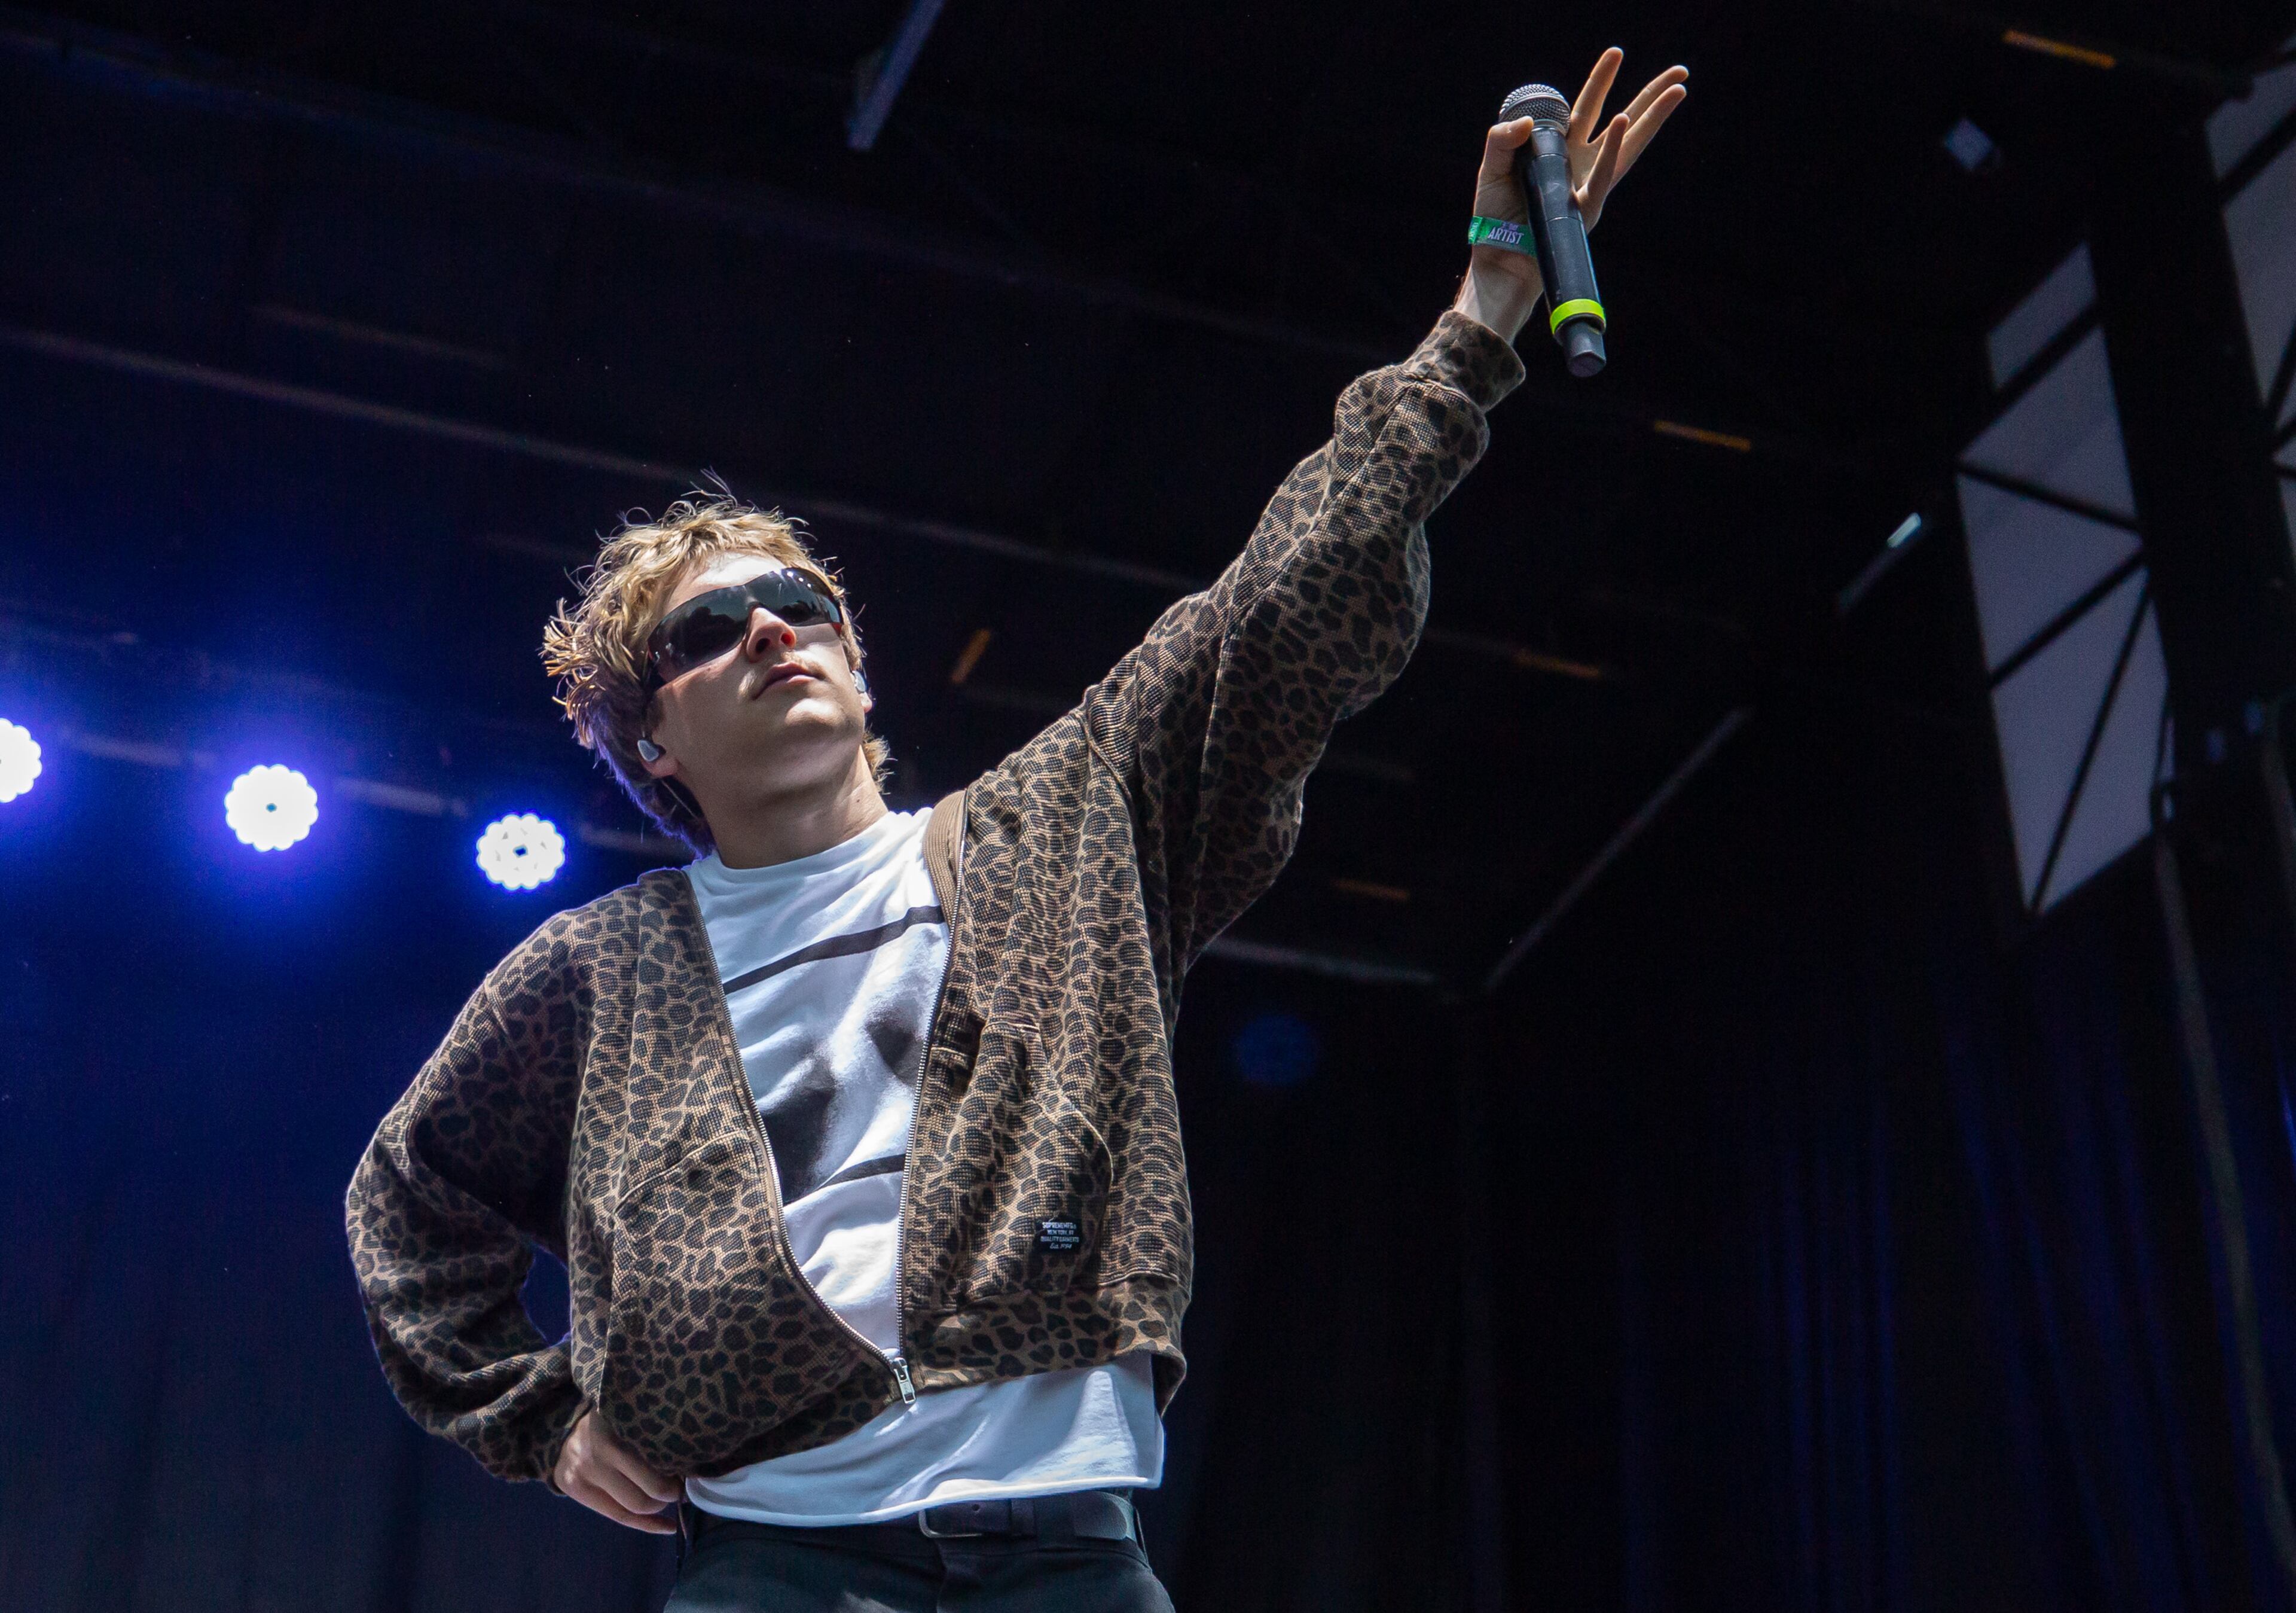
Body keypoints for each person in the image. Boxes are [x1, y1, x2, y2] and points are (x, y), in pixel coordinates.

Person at [345, 47, 1685, 1612]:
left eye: (808, 605)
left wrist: (1481, 321)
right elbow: (410, 1194)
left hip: (1063, 1549)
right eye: (720, 625)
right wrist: (540, 1412)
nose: (781, 632)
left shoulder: (1062, 824)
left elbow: (1289, 602)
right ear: (656, 735)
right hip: (770, 1564)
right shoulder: (602, 970)